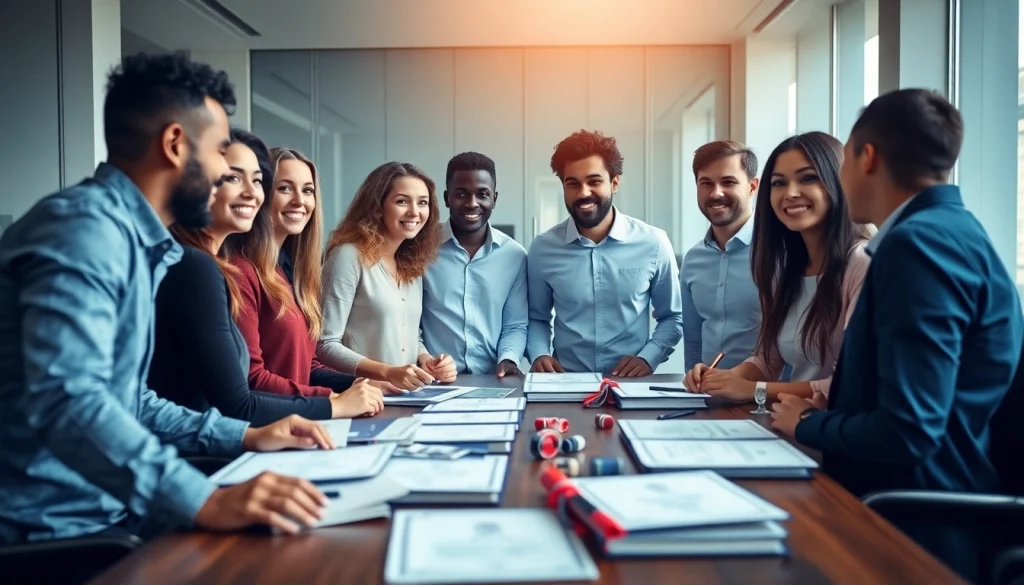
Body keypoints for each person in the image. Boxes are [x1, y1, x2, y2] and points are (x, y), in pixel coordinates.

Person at [0, 53, 335, 555]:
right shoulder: (85, 232)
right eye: (221, 151)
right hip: (58, 533)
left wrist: (245, 436)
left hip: (112, 511)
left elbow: (129, 402)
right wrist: (203, 501)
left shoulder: (140, 243)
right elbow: (68, 401)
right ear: (175, 144)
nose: (227, 170)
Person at [770, 89, 1024, 582]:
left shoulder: (919, 245)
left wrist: (806, 424)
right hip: (927, 501)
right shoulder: (955, 230)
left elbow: (910, 429)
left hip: (915, 524)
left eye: (840, 162)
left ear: (867, 158)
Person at [149, 129, 384, 425]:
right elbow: (242, 395)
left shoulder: (277, 272)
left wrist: (357, 385)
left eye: (257, 181)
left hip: (259, 431)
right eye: (232, 178)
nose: (251, 192)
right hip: (221, 443)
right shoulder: (213, 268)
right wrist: (333, 403)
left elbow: (300, 366)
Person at [684, 132, 873, 403]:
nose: (791, 193)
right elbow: (767, 359)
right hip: (791, 427)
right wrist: (723, 379)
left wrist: (755, 390)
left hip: (836, 434)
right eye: (779, 183)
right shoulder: (786, 268)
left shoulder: (862, 263)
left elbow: (854, 383)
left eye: (808, 178)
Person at [226, 148, 387, 399]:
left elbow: (306, 368)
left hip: (302, 420)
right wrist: (332, 400)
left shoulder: (291, 274)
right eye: (285, 188)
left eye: (308, 190)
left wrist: (363, 384)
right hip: (271, 427)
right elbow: (252, 379)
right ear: (260, 194)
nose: (300, 201)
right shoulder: (242, 272)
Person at [527, 130, 683, 376]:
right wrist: (539, 354)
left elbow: (673, 318)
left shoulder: (654, 243)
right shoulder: (542, 249)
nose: (583, 193)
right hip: (565, 384)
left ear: (615, 183)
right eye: (573, 183)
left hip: (631, 386)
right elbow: (536, 319)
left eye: (594, 181)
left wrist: (648, 358)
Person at [318, 162, 455, 390]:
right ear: (377, 206)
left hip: (405, 399)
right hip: (359, 396)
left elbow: (409, 336)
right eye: (402, 201)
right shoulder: (348, 257)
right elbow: (324, 344)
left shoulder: (411, 264)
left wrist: (426, 360)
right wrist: (387, 372)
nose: (414, 211)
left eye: (422, 202)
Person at [420, 152, 528, 377]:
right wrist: (427, 360)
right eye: (461, 194)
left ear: (494, 199)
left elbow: (515, 324)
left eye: (482, 194)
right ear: (447, 197)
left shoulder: (514, 255)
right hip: (433, 382)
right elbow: (408, 323)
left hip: (493, 381)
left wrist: (508, 358)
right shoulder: (419, 249)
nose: (472, 203)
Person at [680, 140, 762, 371]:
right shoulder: (693, 260)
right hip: (707, 397)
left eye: (728, 182)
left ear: (752, 186)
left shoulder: (779, 253)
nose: (716, 193)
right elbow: (694, 339)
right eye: (706, 183)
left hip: (767, 401)